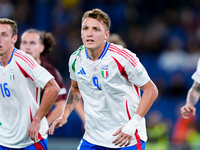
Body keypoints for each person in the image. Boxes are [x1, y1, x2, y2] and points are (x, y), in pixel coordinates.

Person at [48, 8, 158, 149]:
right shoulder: (75, 59)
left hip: (126, 138)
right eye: (85, 28)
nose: (89, 33)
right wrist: (65, 114)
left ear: (106, 35)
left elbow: (151, 90)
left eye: (96, 29)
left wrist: (132, 125)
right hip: (93, 138)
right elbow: (76, 88)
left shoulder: (122, 58)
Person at [0, 18, 60, 149]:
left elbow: (53, 88)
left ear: (14, 39)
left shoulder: (23, 60)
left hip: (31, 140)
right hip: (4, 139)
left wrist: (37, 120)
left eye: (4, 35)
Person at [20, 29, 85, 126]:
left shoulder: (51, 73)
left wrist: (41, 126)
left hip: (33, 132)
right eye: (24, 43)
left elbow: (60, 105)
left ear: (41, 47)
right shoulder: (8, 68)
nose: (28, 47)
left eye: (32, 43)